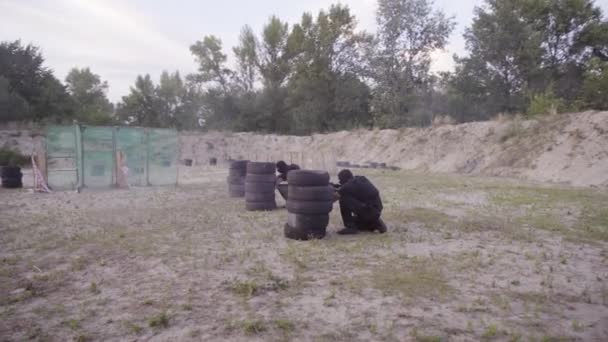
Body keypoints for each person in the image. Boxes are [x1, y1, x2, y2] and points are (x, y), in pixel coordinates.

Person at [333, 169, 387, 235]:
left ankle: (350, 227)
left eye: (340, 180)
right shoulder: (361, 179)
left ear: (344, 179)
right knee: (358, 224)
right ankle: (374, 223)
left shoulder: (347, 186)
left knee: (343, 198)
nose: (339, 181)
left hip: (369, 211)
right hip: (376, 209)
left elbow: (335, 198)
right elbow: (350, 188)